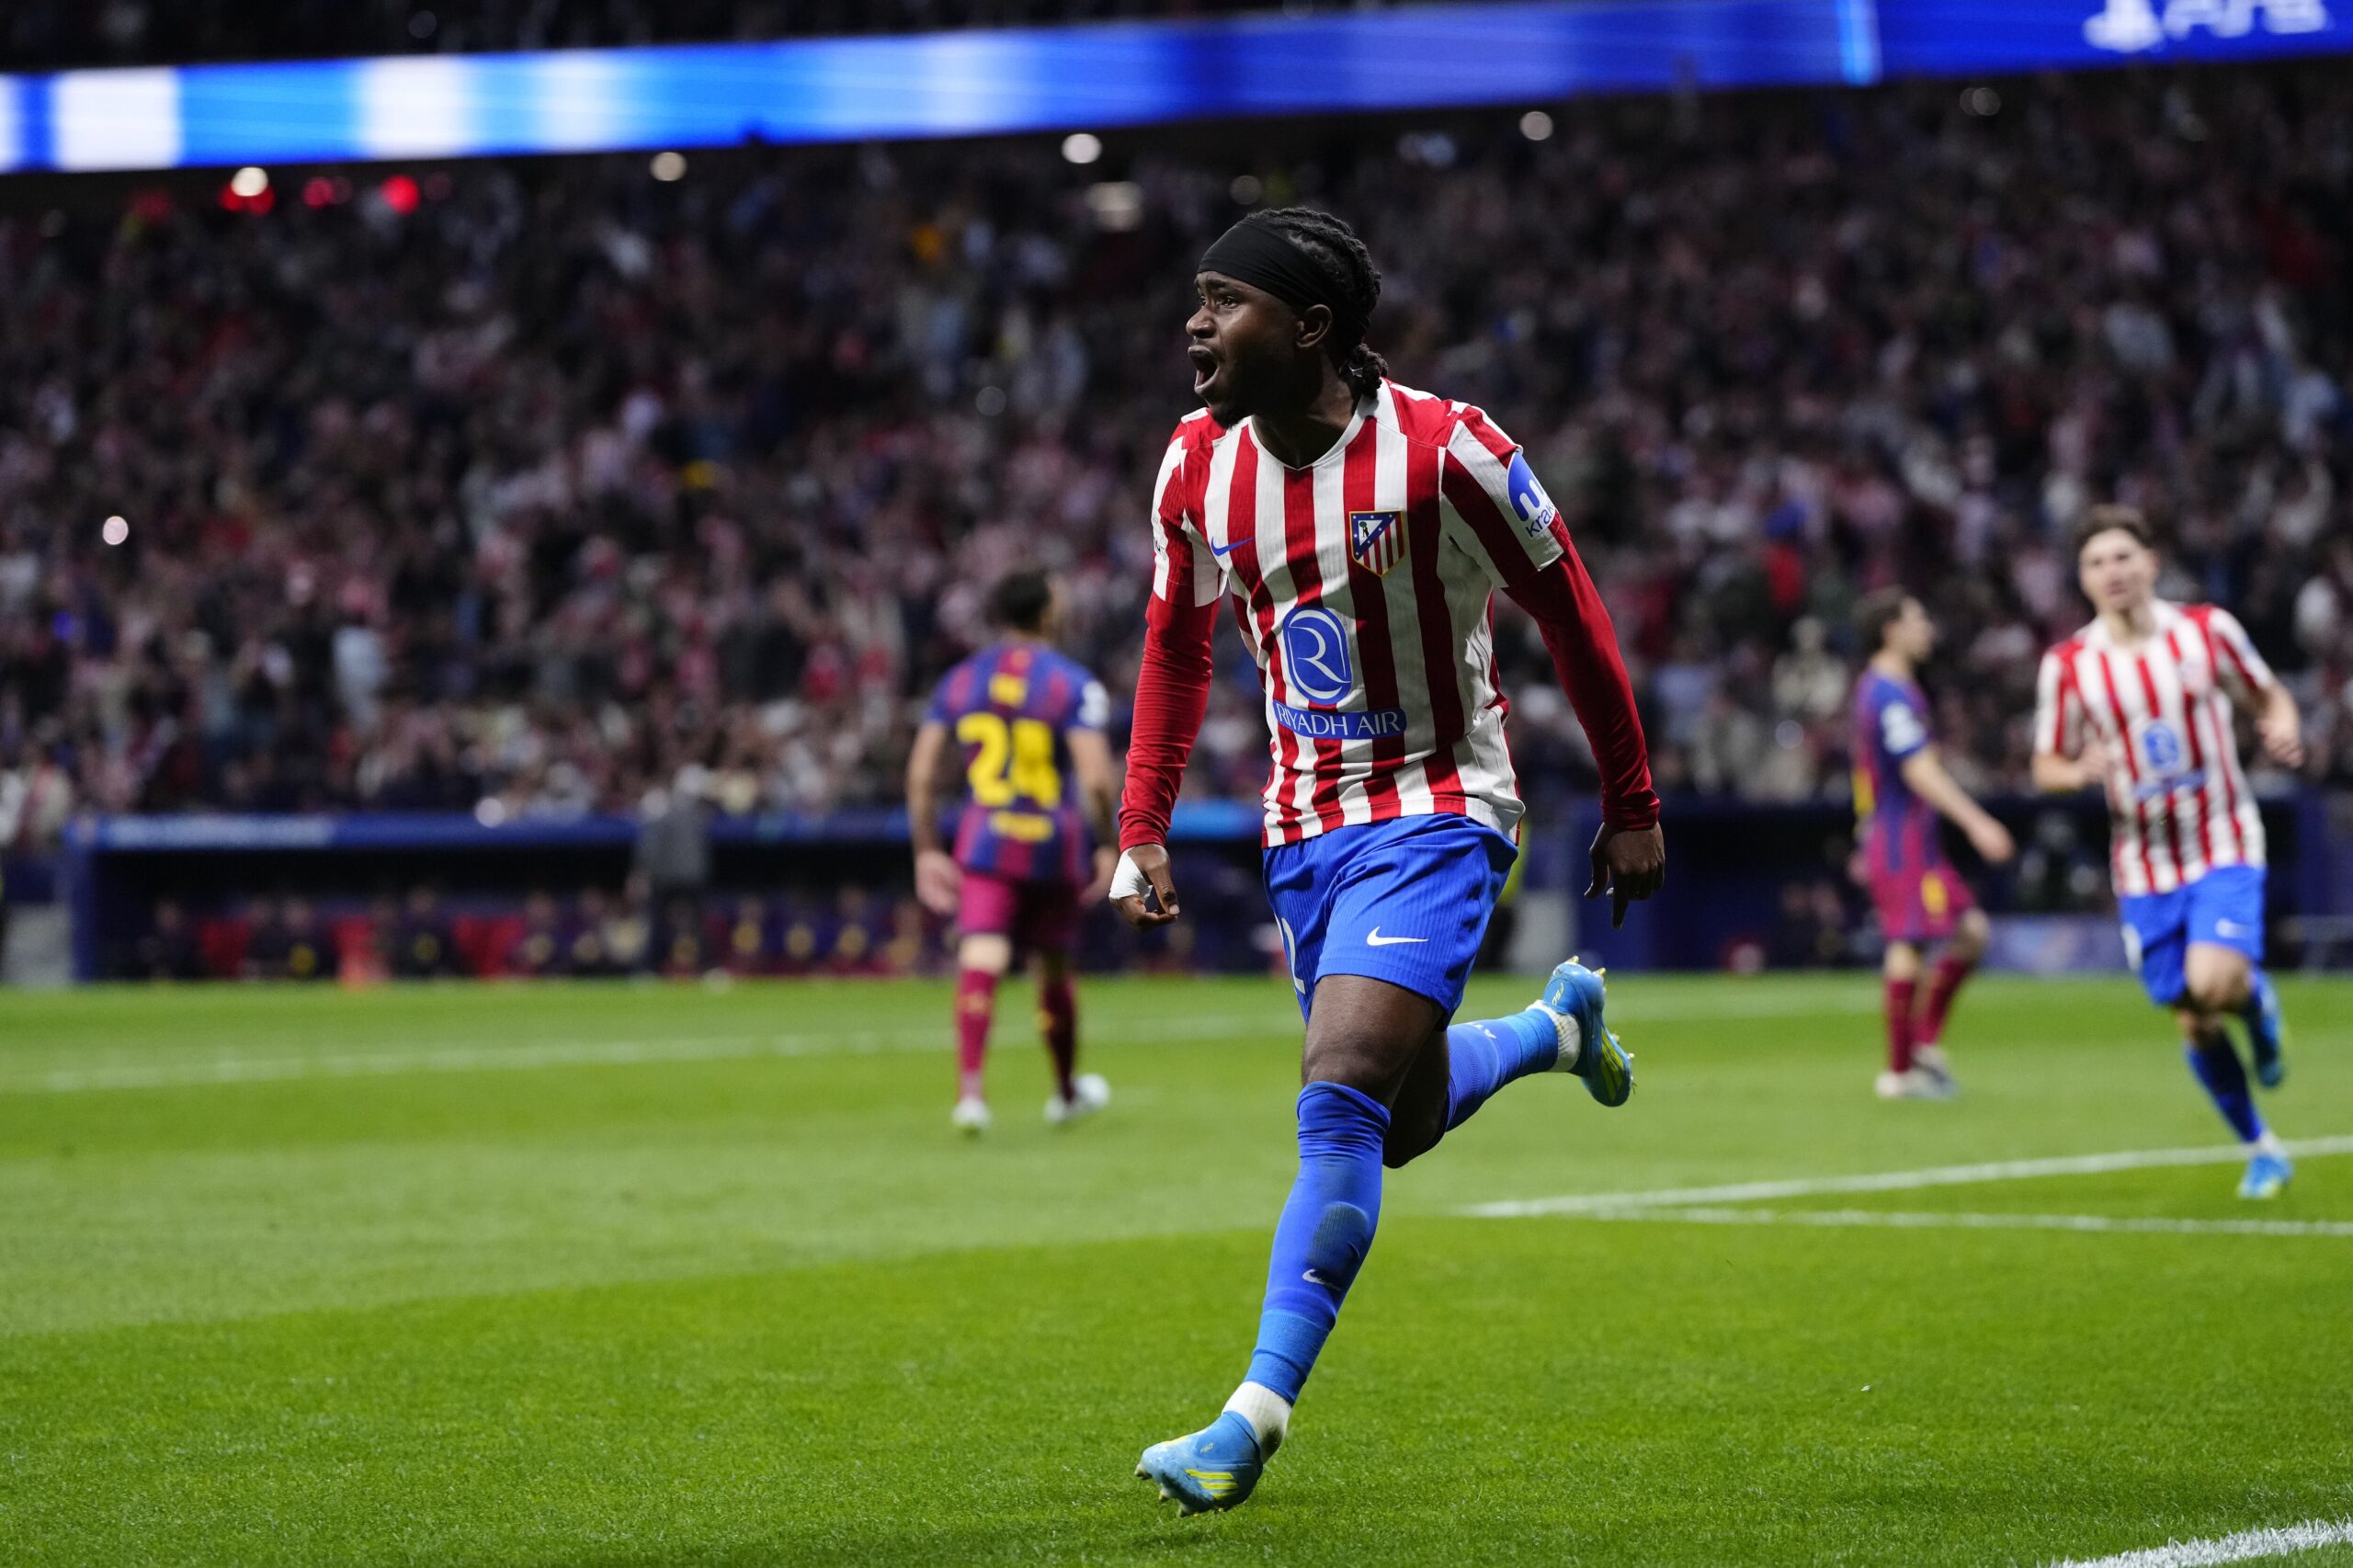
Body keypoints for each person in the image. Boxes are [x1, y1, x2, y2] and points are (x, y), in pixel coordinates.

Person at [1109, 209, 1665, 1514]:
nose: (1195, 323)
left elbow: (1570, 608)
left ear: (1310, 329)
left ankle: (1248, 1419)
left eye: (1224, 299)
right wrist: (1141, 821)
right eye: (1195, 298)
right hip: (1305, 828)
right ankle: (1552, 1029)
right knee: (1399, 1121)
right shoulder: (1195, 470)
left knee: (1342, 1084)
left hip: (1437, 804)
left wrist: (1631, 796)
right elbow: (1178, 650)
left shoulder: (1449, 450)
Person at [2032, 506, 2304, 1199]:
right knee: (2188, 1008)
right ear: (2082, 579)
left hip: (2222, 836)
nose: (2112, 571)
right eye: (2096, 562)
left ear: (2151, 563)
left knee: (2215, 983)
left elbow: (2269, 696)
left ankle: (2257, 1002)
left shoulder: (2206, 631)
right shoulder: (2069, 666)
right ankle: (2261, 1146)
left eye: (2124, 556)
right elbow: (2045, 764)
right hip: (2144, 861)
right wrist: (2078, 771)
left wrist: (2281, 730)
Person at [905, 569, 1120, 1133]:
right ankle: (1067, 1091)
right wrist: (1109, 845)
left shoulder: (959, 681)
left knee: (982, 956)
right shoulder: (1072, 683)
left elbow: (922, 773)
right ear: (1047, 613)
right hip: (1053, 842)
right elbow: (1096, 780)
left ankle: (971, 1095)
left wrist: (928, 850)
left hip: (984, 840)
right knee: (1052, 967)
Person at [1850, 589, 2017, 1098]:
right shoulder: (1888, 693)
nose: (1929, 628)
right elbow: (1917, 769)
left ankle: (1922, 1047)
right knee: (1909, 943)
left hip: (1912, 839)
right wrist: (1977, 822)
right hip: (1901, 841)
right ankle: (1900, 1073)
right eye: (1919, 617)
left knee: (1971, 933)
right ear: (1891, 630)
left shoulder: (1895, 688)